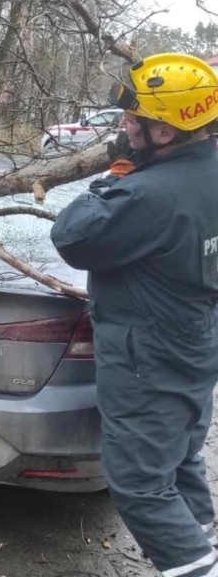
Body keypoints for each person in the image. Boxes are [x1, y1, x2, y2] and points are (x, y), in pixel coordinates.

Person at [50, 52, 218, 577]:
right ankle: (204, 542)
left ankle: (195, 565)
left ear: (166, 132)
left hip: (149, 354)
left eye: (133, 119)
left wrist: (118, 170)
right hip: (194, 339)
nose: (124, 125)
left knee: (141, 485)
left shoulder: (149, 194)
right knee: (180, 457)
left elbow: (72, 236)